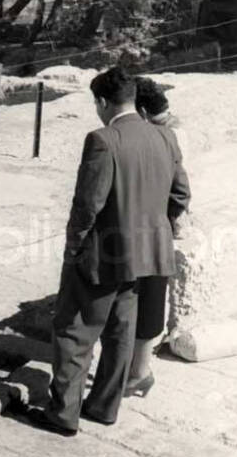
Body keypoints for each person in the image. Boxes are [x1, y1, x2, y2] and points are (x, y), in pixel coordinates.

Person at [26, 66, 191, 437]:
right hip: (144, 258)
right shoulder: (166, 138)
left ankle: (62, 414)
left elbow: (88, 204)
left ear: (101, 102)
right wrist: (150, 228)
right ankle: (103, 407)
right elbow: (180, 195)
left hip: (103, 255)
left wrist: (74, 248)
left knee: (74, 331)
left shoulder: (103, 139)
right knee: (119, 334)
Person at [126, 77, 191, 397]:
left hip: (122, 237)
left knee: (123, 303)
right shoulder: (170, 137)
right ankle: (140, 372)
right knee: (152, 302)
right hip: (158, 235)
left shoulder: (119, 138)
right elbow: (181, 194)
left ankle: (123, 373)